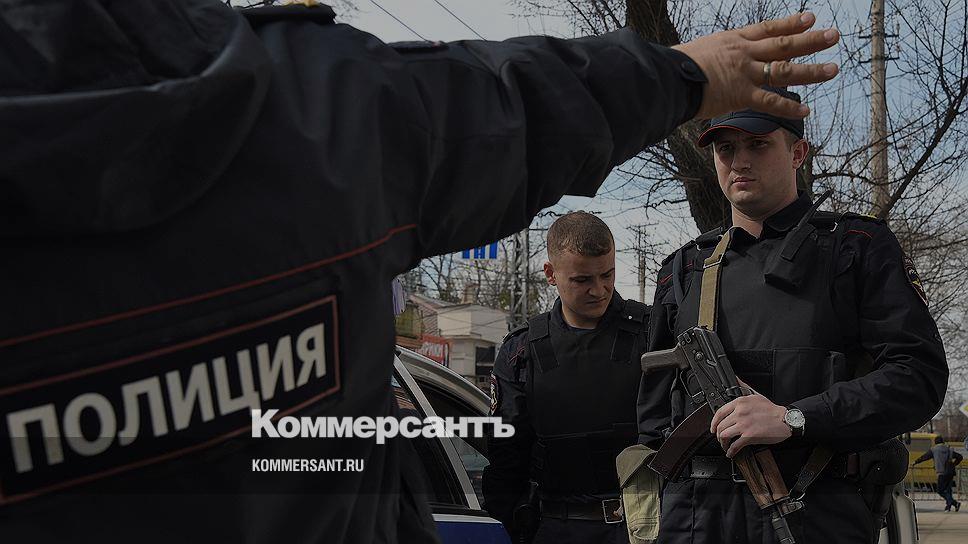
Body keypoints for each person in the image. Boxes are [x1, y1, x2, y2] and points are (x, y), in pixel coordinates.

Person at [0, 1, 841, 542]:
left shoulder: (832, 258)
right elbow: (505, 106)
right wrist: (680, 74)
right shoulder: (307, 111)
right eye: (724, 147)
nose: (596, 289)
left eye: (756, 146)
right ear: (552, 276)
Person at [637, 86, 949, 543]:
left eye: (758, 144)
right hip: (698, 519)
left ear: (798, 153)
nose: (739, 161)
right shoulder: (684, 268)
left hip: (816, 510)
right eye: (726, 149)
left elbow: (918, 378)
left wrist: (795, 418)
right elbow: (653, 418)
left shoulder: (855, 248)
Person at [483, 212, 649, 543]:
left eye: (607, 275)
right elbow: (506, 460)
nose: (599, 290)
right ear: (550, 274)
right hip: (554, 527)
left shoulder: (652, 333)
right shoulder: (522, 351)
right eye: (582, 280)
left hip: (643, 527)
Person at [913, 435, 963, 512]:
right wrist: (954, 464)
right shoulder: (949, 449)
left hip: (941, 473)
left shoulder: (934, 450)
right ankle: (948, 506)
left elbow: (925, 457)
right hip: (950, 472)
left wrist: (916, 462)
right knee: (948, 490)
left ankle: (954, 503)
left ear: (935, 442)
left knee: (940, 490)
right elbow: (960, 457)